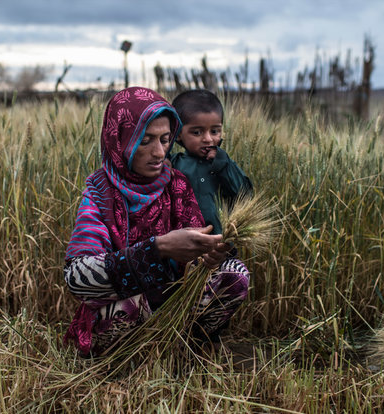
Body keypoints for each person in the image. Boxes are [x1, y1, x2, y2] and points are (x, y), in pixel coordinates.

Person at [63, 87, 250, 356]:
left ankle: (184, 347)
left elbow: (195, 258)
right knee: (123, 309)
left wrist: (206, 257)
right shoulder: (99, 192)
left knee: (234, 273)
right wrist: (158, 248)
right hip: (128, 312)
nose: (159, 152)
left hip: (174, 308)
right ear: (121, 139)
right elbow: (76, 278)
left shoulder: (177, 184)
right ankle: (127, 358)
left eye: (164, 140)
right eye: (145, 140)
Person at [170, 89, 252, 235]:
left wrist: (223, 165)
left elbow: (245, 196)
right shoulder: (174, 164)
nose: (208, 139)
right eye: (197, 132)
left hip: (221, 245)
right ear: (177, 134)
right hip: (184, 246)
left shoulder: (225, 164)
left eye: (215, 131)